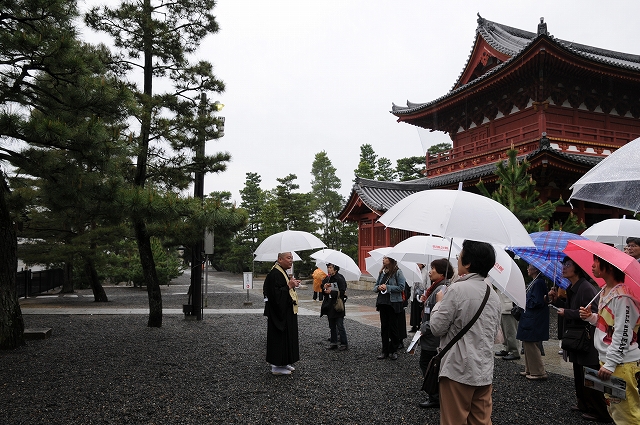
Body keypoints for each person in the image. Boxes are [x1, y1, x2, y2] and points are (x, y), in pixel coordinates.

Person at [429, 240, 501, 425]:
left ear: (468, 263)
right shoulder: (492, 294)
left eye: (459, 257)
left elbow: (437, 328)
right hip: (484, 369)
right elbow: (495, 336)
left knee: (454, 421)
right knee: (481, 421)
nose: (458, 260)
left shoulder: (456, 289)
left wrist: (439, 303)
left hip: (457, 369)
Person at [548, 257, 612, 422]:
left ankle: (599, 410)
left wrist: (567, 312)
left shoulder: (586, 288)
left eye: (568, 265)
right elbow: (572, 308)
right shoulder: (572, 287)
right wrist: (558, 300)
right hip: (576, 336)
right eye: (564, 264)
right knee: (578, 371)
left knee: (589, 373)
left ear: (577, 268)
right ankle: (583, 403)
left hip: (586, 337)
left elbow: (592, 314)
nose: (564, 268)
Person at [579, 255, 640, 424]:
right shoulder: (608, 290)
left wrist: (611, 362)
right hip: (610, 360)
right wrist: (591, 317)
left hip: (621, 363)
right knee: (615, 409)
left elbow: (623, 332)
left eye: (596, 262)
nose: (592, 265)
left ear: (610, 266)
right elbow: (610, 325)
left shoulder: (623, 297)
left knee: (627, 415)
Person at [418, 258, 454, 409]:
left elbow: (439, 317)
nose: (429, 271)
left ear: (441, 272)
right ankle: (436, 395)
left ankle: (435, 396)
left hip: (432, 337)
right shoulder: (435, 287)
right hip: (430, 334)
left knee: (429, 365)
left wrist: (423, 329)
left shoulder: (442, 289)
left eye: (433, 268)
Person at [263, 252, 300, 375]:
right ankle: (276, 366)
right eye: (288, 258)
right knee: (279, 338)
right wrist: (289, 286)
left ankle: (284, 362)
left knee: (287, 338)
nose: (291, 261)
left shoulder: (281, 272)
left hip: (286, 311)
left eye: (292, 258)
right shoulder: (275, 274)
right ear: (280, 259)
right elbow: (275, 296)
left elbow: (283, 289)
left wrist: (291, 284)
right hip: (278, 314)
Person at [516, 263, 549, 381]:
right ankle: (530, 369)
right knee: (527, 343)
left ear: (535, 269)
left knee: (532, 344)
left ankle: (538, 372)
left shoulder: (538, 283)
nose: (527, 269)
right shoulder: (535, 282)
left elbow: (536, 301)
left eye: (529, 266)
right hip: (530, 317)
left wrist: (524, 300)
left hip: (534, 318)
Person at [374, 256, 406, 360]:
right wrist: (379, 287)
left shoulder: (397, 272)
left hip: (393, 303)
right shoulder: (382, 272)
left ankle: (393, 350)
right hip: (383, 302)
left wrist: (388, 287)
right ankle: (384, 350)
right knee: (384, 327)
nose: (383, 260)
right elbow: (375, 287)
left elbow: (402, 287)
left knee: (393, 327)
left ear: (391, 260)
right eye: (383, 258)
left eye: (386, 258)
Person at [320, 264, 348, 351]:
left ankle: (344, 343)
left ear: (335, 269)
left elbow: (342, 292)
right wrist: (324, 287)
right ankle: (333, 342)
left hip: (337, 303)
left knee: (340, 325)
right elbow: (322, 288)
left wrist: (331, 292)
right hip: (329, 304)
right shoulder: (327, 278)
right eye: (328, 268)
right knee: (331, 325)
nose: (328, 269)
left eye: (330, 268)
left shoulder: (340, 278)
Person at [494, 290, 520, 360]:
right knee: (505, 331)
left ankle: (515, 352)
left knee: (511, 331)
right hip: (503, 306)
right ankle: (507, 348)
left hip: (509, 307)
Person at [410, 263, 429, 332]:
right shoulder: (414, 271)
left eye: (419, 263)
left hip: (422, 293)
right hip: (415, 293)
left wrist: (426, 292)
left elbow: (428, 284)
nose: (418, 264)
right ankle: (413, 325)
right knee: (414, 310)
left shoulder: (426, 272)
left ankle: (419, 325)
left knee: (420, 309)